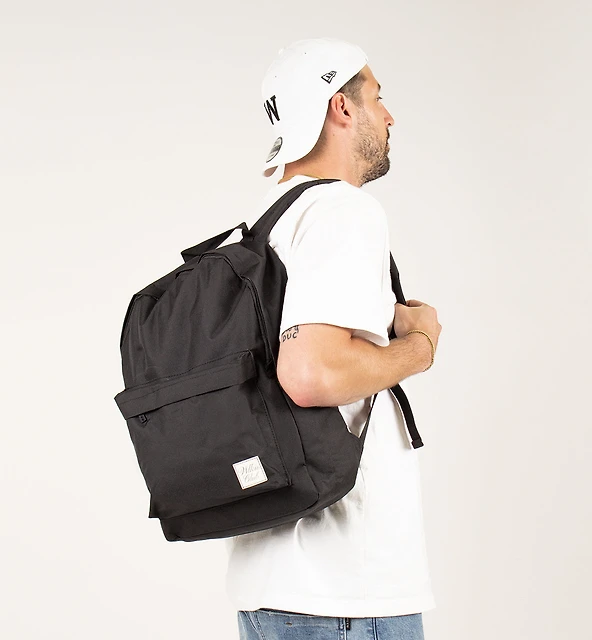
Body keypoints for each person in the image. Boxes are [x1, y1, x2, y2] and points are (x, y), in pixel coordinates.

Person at [221, 38, 442, 640]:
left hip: (279, 583)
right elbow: (310, 373)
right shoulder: (343, 210)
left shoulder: (265, 224)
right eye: (377, 97)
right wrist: (420, 347)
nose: (389, 116)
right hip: (343, 592)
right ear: (340, 107)